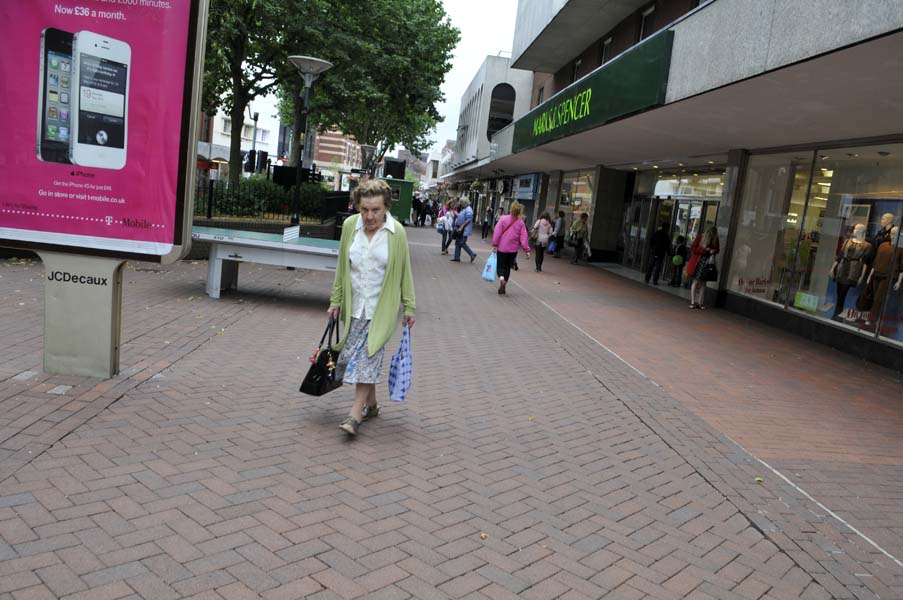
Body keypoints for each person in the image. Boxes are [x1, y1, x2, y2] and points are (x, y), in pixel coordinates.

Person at [327, 179, 416, 435]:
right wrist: (336, 299)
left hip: (381, 309)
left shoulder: (396, 232)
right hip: (355, 308)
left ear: (386, 207)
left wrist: (409, 306)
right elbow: (342, 268)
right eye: (364, 209)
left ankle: (354, 414)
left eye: (376, 210)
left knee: (368, 357)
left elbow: (404, 272)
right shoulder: (349, 227)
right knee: (357, 358)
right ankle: (372, 405)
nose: (369, 216)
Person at [492, 201, 531, 295]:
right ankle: (505, 282)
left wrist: (495, 244)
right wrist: (527, 250)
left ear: (511, 209)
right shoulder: (521, 223)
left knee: (500, 266)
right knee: (508, 268)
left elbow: (497, 233)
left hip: (502, 248)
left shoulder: (503, 219)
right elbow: (524, 237)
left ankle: (501, 278)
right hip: (513, 250)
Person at [687, 226, 720, 309]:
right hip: (698, 262)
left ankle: (700, 303)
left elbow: (717, 249)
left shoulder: (715, 238)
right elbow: (693, 248)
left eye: (714, 236)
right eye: (711, 235)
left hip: (708, 263)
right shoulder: (700, 237)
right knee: (696, 281)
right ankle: (693, 302)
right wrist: (704, 250)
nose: (712, 237)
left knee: (703, 283)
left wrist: (713, 251)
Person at [451, 198, 477, 263]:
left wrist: (462, 226)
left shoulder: (468, 209)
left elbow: (469, 219)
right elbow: (462, 217)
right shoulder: (465, 208)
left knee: (461, 243)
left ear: (464, 202)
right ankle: (456, 257)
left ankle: (472, 254)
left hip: (463, 230)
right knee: (457, 243)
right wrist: (457, 214)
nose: (460, 204)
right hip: (460, 228)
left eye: (461, 202)